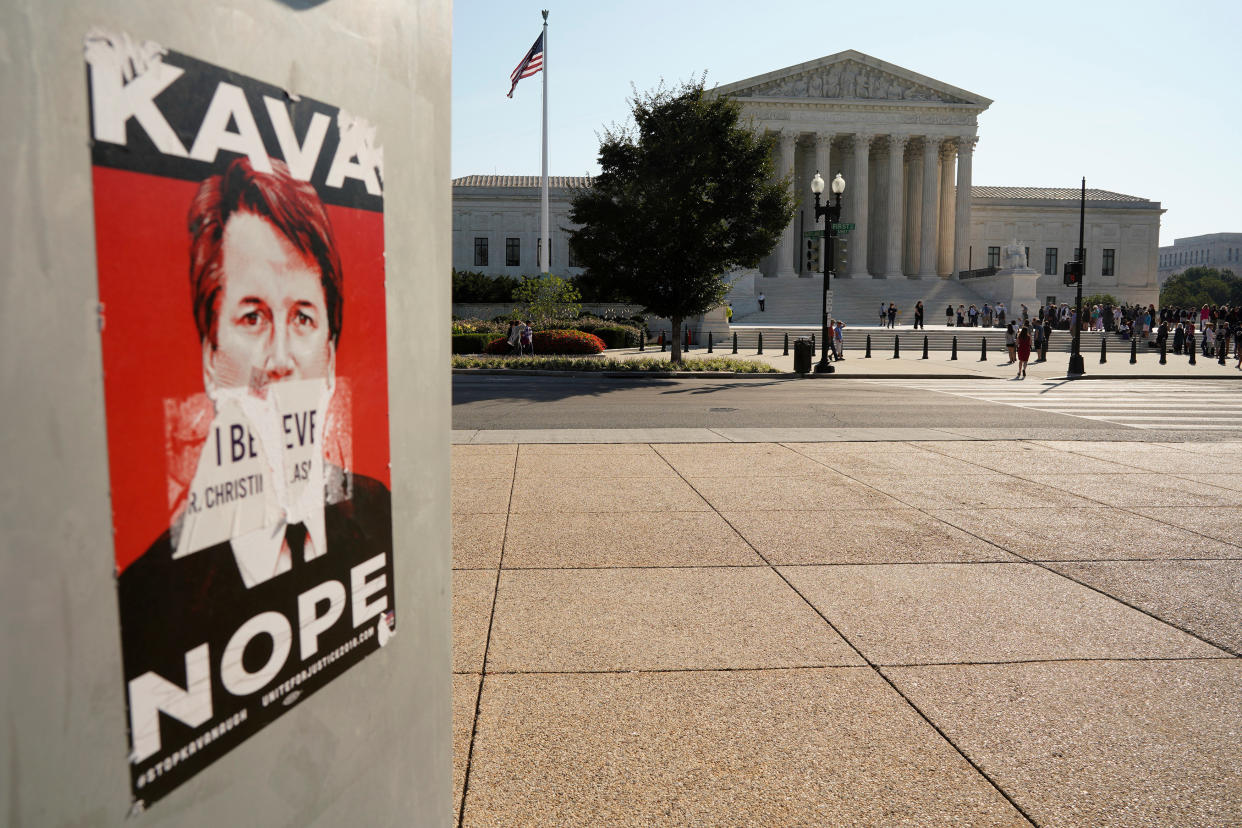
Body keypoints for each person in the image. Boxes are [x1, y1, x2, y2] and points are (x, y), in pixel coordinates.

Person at [117, 157, 394, 792]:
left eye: (302, 316)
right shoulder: (147, 600)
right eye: (250, 316)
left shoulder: (378, 514)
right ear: (210, 353)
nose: (277, 359)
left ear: (329, 350)